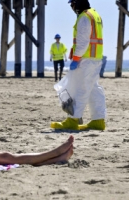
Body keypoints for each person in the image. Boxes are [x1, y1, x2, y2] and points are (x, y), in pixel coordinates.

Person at [51, 0, 106, 131]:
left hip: (85, 60)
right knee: (93, 89)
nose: (71, 6)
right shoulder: (95, 15)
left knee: (81, 89)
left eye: (73, 3)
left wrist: (76, 58)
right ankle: (98, 120)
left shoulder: (84, 17)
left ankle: (73, 119)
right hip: (96, 58)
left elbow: (83, 42)